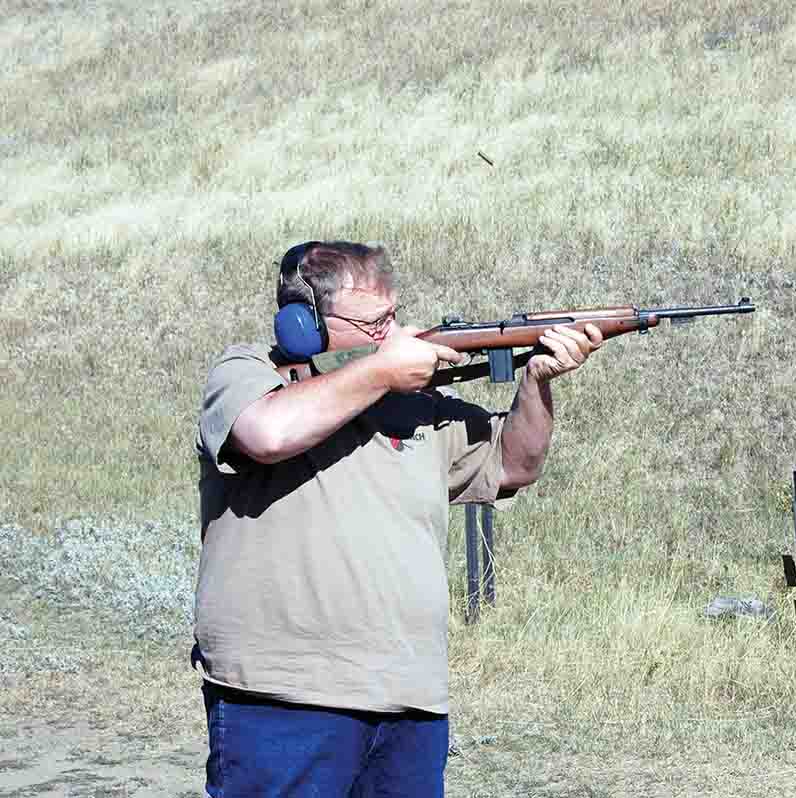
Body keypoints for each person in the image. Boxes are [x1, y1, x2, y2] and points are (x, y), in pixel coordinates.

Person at [193, 240, 601, 796]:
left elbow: (512, 464)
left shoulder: (416, 404)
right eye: (372, 324)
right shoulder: (247, 373)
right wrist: (385, 372)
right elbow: (269, 434)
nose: (391, 335)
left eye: (393, 318)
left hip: (410, 700)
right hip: (285, 697)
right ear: (302, 328)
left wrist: (537, 382)